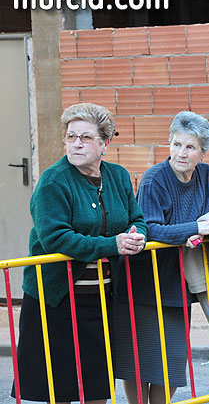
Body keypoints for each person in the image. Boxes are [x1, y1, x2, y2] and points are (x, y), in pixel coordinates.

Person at [12, 103, 147, 403]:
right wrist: (113, 245)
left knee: (97, 387)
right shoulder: (53, 181)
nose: (76, 143)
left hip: (101, 300)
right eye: (71, 136)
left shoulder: (118, 177)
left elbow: (135, 218)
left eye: (85, 137)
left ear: (105, 143)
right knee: (60, 390)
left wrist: (138, 236)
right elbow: (55, 239)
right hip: (57, 301)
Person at [113, 111, 209, 404]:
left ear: (202, 152)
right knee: (138, 364)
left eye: (190, 147)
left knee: (172, 364)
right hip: (142, 283)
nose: (182, 153)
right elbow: (150, 228)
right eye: (176, 144)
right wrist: (194, 228)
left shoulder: (204, 175)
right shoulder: (155, 179)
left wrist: (199, 233)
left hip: (176, 285)